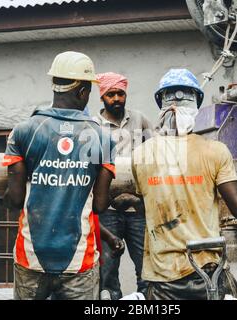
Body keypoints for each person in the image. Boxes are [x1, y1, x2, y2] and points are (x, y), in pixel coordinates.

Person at [2, 51, 124, 300]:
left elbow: (15, 200)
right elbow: (100, 204)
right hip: (79, 260)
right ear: (82, 92)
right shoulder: (102, 138)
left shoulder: (24, 131)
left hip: (31, 257)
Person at [131, 69, 237, 300]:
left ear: (161, 104)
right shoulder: (214, 150)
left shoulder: (141, 154)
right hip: (207, 273)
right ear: (196, 105)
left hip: (163, 276)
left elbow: (146, 208)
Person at [93, 72, 153, 300]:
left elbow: (156, 154)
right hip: (106, 211)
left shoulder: (140, 120)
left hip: (138, 209)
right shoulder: (93, 125)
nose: (116, 98)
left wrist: (137, 197)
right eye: (111, 94)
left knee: (147, 268)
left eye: (120, 93)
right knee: (107, 272)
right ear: (102, 97)